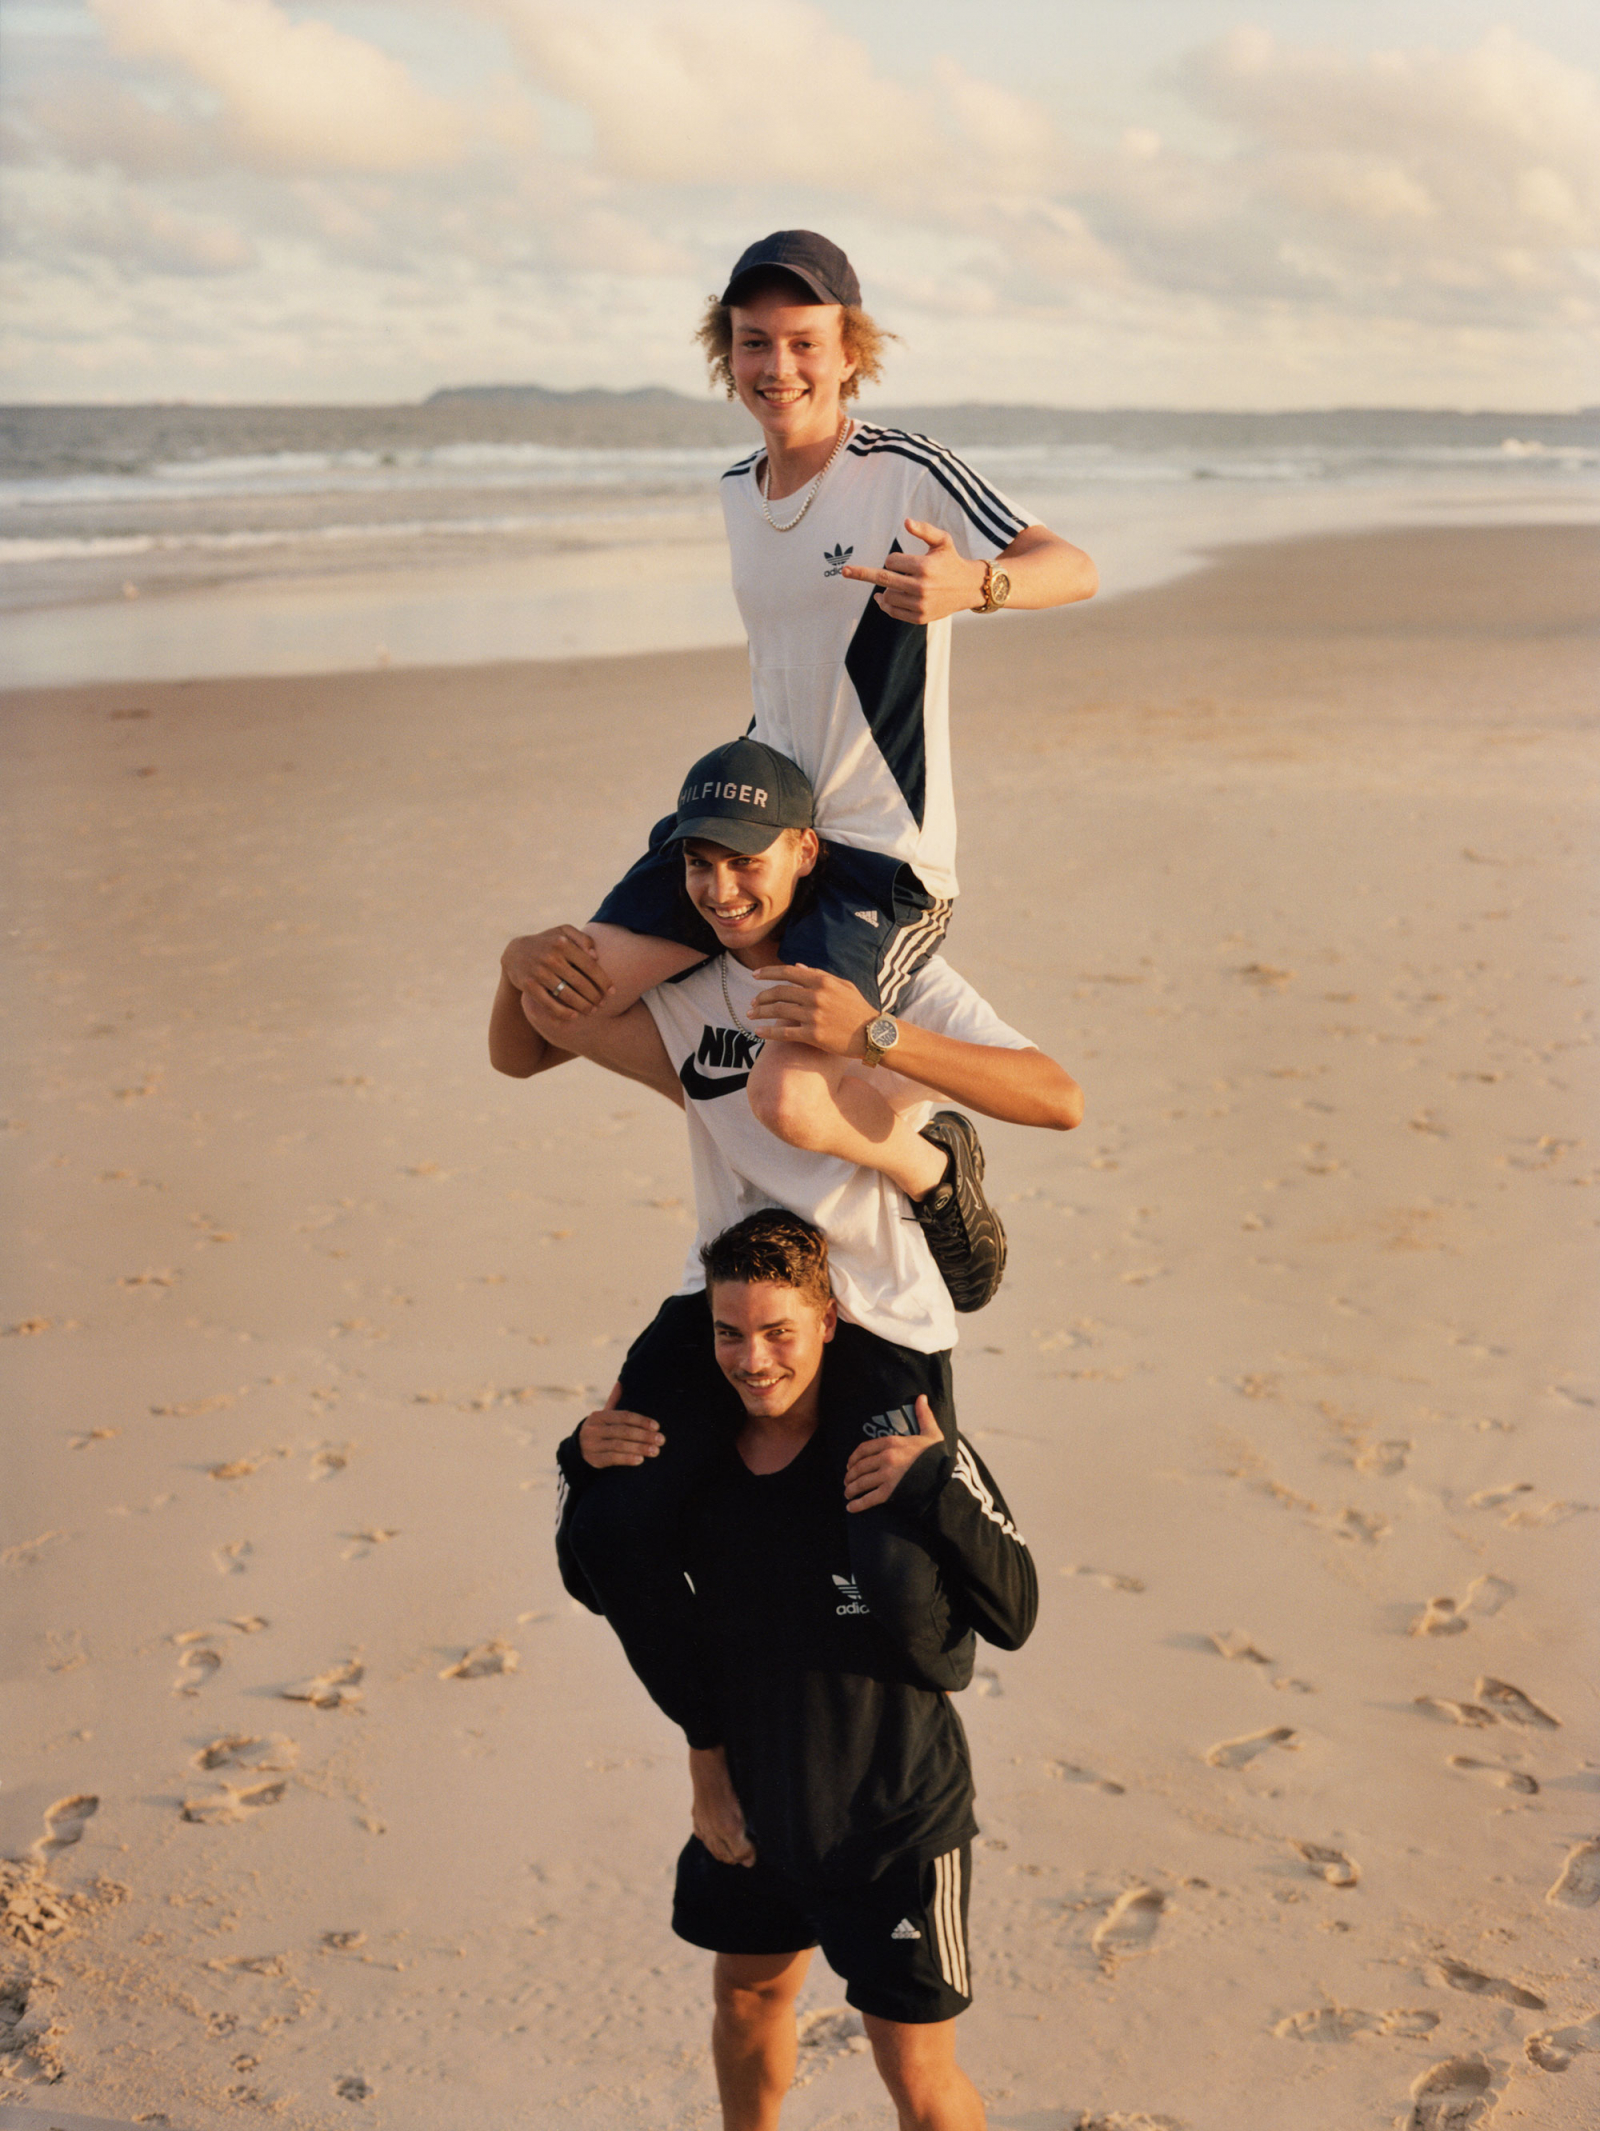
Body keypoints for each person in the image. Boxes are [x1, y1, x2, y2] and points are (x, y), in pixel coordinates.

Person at [490, 741, 1080, 1744]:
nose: (719, 889)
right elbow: (519, 1054)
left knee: (904, 1592)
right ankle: (714, 1742)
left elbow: (1058, 1097)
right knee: (607, 1528)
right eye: (697, 864)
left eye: (744, 862)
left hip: (876, 1304)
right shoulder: (677, 983)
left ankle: (935, 1166)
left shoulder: (874, 967)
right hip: (733, 1303)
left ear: (803, 852)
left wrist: (876, 1036)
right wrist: (515, 963)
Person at [499, 229, 1096, 1190]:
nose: (778, 366)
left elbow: (1073, 567)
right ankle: (727, 1138)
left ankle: (930, 1173)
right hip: (761, 822)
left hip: (878, 848)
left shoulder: (906, 466)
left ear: (850, 351)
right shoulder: (740, 489)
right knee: (563, 996)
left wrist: (973, 585)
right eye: (753, 342)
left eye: (804, 342)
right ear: (725, 354)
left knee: (789, 1098)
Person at [565, 1208, 1036, 2131]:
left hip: (895, 1818)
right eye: (730, 1333)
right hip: (750, 1800)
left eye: (779, 1331)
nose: (753, 1360)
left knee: (918, 2074)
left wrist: (938, 1480)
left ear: (828, 1321)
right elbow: (606, 1582)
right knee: (746, 2000)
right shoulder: (694, 1461)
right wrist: (581, 1459)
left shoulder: (900, 1446)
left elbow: (1015, 1609)